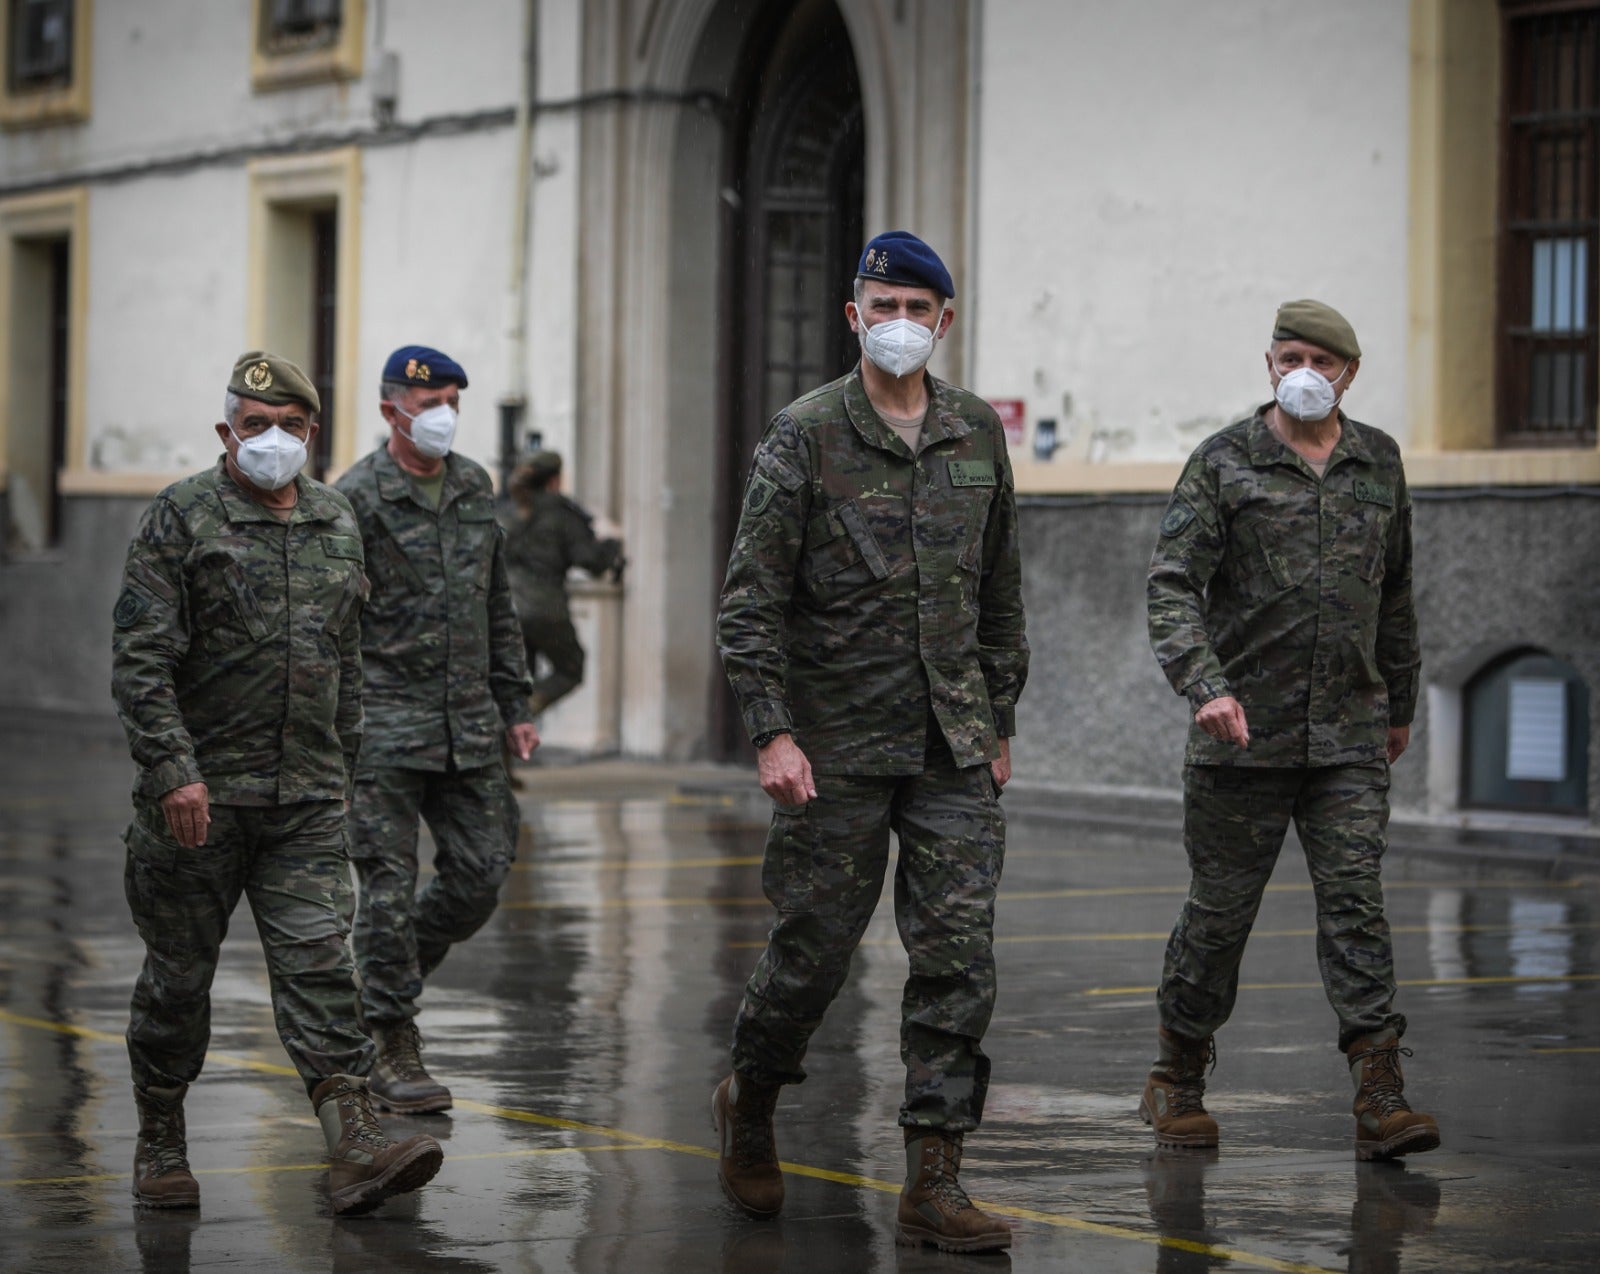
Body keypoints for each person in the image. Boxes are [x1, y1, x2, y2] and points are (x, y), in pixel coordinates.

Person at [714, 231, 1028, 1254]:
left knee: (957, 959)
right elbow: (751, 602)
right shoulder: (803, 434)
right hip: (834, 747)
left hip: (950, 746)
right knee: (811, 955)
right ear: (853, 314)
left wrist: (999, 719)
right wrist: (770, 731)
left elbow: (1000, 594)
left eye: (918, 306)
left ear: (944, 320)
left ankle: (934, 1175)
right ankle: (752, 1093)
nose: (900, 320)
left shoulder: (976, 432)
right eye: (881, 302)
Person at [111, 351, 443, 1216]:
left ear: (312, 434)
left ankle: (354, 1142)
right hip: (198, 806)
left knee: (320, 971)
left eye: (290, 427)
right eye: (255, 426)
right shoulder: (180, 517)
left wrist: (348, 770)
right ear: (226, 432)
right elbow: (142, 661)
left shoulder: (336, 519)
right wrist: (175, 772)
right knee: (179, 983)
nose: (273, 440)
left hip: (304, 799)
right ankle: (160, 1136)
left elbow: (348, 657)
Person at [1144, 300, 1439, 1162]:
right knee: (1220, 918)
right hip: (1241, 740)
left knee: (1357, 908)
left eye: (1320, 359)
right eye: (1287, 356)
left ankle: (1380, 1095)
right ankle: (1177, 1077)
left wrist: (1401, 704)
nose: (1301, 372)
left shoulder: (1378, 462)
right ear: (1268, 362)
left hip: (1349, 735)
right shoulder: (1224, 462)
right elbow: (1170, 586)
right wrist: (1204, 686)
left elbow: (1396, 592)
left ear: (1350, 372)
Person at [335, 345, 540, 1114]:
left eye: (454, 400)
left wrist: (515, 704)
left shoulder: (473, 485)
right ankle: (391, 1040)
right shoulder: (354, 499)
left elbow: (498, 601)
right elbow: (332, 623)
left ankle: (374, 987)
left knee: (482, 871)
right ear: (392, 411)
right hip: (382, 728)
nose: (444, 416)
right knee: (386, 890)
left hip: (468, 726)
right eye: (429, 404)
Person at [502, 449, 624, 762]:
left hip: (505, 611)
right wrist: (612, 547)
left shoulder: (507, 509)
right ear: (555, 479)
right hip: (545, 609)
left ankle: (506, 758)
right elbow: (590, 560)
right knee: (570, 668)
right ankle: (520, 715)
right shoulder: (560, 513)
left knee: (516, 680)